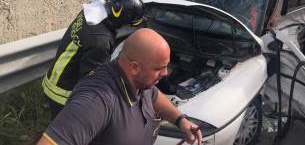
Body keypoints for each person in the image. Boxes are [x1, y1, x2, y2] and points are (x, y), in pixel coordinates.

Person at [37, 28, 203, 145]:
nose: (166, 73)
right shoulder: (97, 100)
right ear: (134, 67)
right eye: (159, 68)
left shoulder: (142, 83)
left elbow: (154, 96)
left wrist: (180, 120)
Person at [42, 0, 145, 119]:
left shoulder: (91, 12)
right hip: (63, 92)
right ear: (122, 19)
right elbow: (93, 80)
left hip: (54, 77)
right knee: (69, 134)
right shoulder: (100, 42)